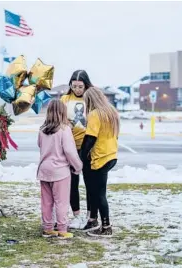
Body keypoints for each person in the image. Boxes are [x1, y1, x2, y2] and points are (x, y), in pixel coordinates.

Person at [37, 99, 83, 239]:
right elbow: (69, 151)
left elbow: (40, 145)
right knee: (61, 201)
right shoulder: (64, 129)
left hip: (44, 170)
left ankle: (48, 228)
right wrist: (78, 166)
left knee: (47, 201)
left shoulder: (42, 129)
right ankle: (62, 229)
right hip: (60, 171)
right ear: (63, 112)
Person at [80, 87, 120, 237]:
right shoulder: (111, 112)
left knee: (99, 194)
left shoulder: (95, 114)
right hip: (111, 156)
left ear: (89, 100)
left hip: (100, 158)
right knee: (95, 190)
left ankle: (106, 227)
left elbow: (90, 138)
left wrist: (81, 156)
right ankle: (94, 220)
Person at [60, 70, 93, 229]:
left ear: (86, 85)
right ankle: (77, 215)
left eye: (80, 86)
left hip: (88, 146)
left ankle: (90, 216)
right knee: (72, 182)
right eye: (74, 86)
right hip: (70, 146)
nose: (77, 90)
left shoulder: (91, 99)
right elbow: (58, 119)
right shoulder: (65, 99)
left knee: (90, 182)